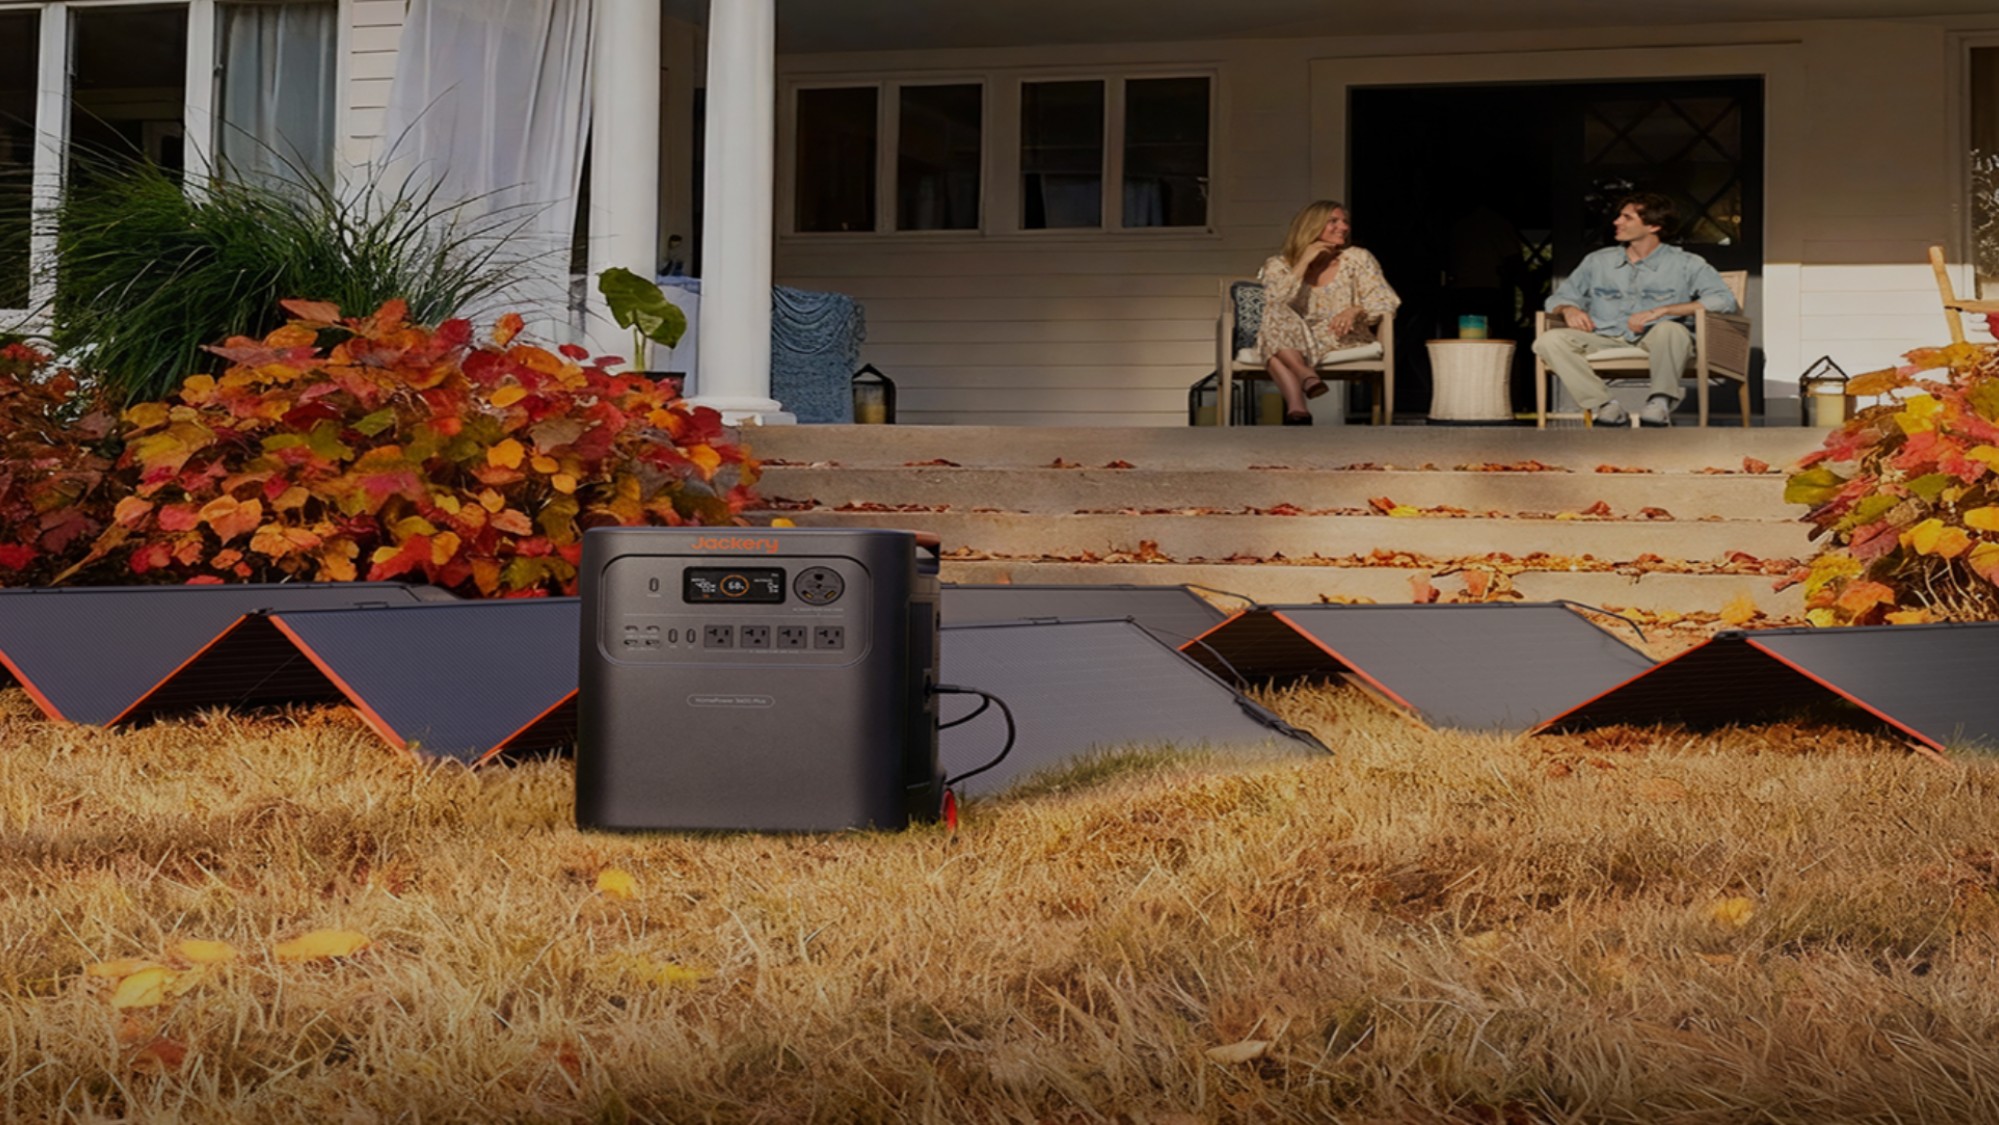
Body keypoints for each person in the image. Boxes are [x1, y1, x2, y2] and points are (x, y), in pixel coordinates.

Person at [1534, 192, 1739, 427]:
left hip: (1657, 339)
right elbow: (1559, 298)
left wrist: (1664, 310)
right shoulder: (1597, 261)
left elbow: (1723, 300)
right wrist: (1569, 309)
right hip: (1603, 336)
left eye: (1626, 217)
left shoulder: (1686, 263)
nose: (1616, 222)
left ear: (1653, 225)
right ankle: (1605, 405)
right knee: (1548, 341)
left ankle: (1659, 404)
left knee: (1671, 330)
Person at [1256, 201, 1401, 425]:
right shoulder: (1278, 265)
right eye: (1333, 221)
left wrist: (1355, 310)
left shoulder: (1357, 259)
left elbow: (1386, 300)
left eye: (1345, 222)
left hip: (1341, 334)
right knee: (1275, 313)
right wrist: (1304, 261)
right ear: (1311, 226)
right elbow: (1274, 300)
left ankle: (1298, 407)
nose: (1343, 227)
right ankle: (1306, 378)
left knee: (1272, 344)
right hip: (1296, 335)